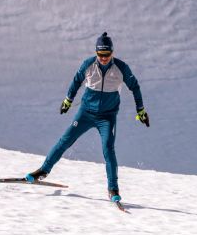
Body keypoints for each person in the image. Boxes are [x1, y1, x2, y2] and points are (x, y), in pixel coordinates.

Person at [26, 32, 149, 203]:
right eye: (100, 55)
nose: (103, 58)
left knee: (108, 148)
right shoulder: (89, 64)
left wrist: (141, 110)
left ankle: (113, 188)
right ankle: (43, 171)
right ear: (96, 53)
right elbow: (76, 80)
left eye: (106, 55)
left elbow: (135, 87)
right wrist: (68, 100)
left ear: (112, 52)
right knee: (65, 140)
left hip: (107, 117)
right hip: (85, 113)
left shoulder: (121, 68)